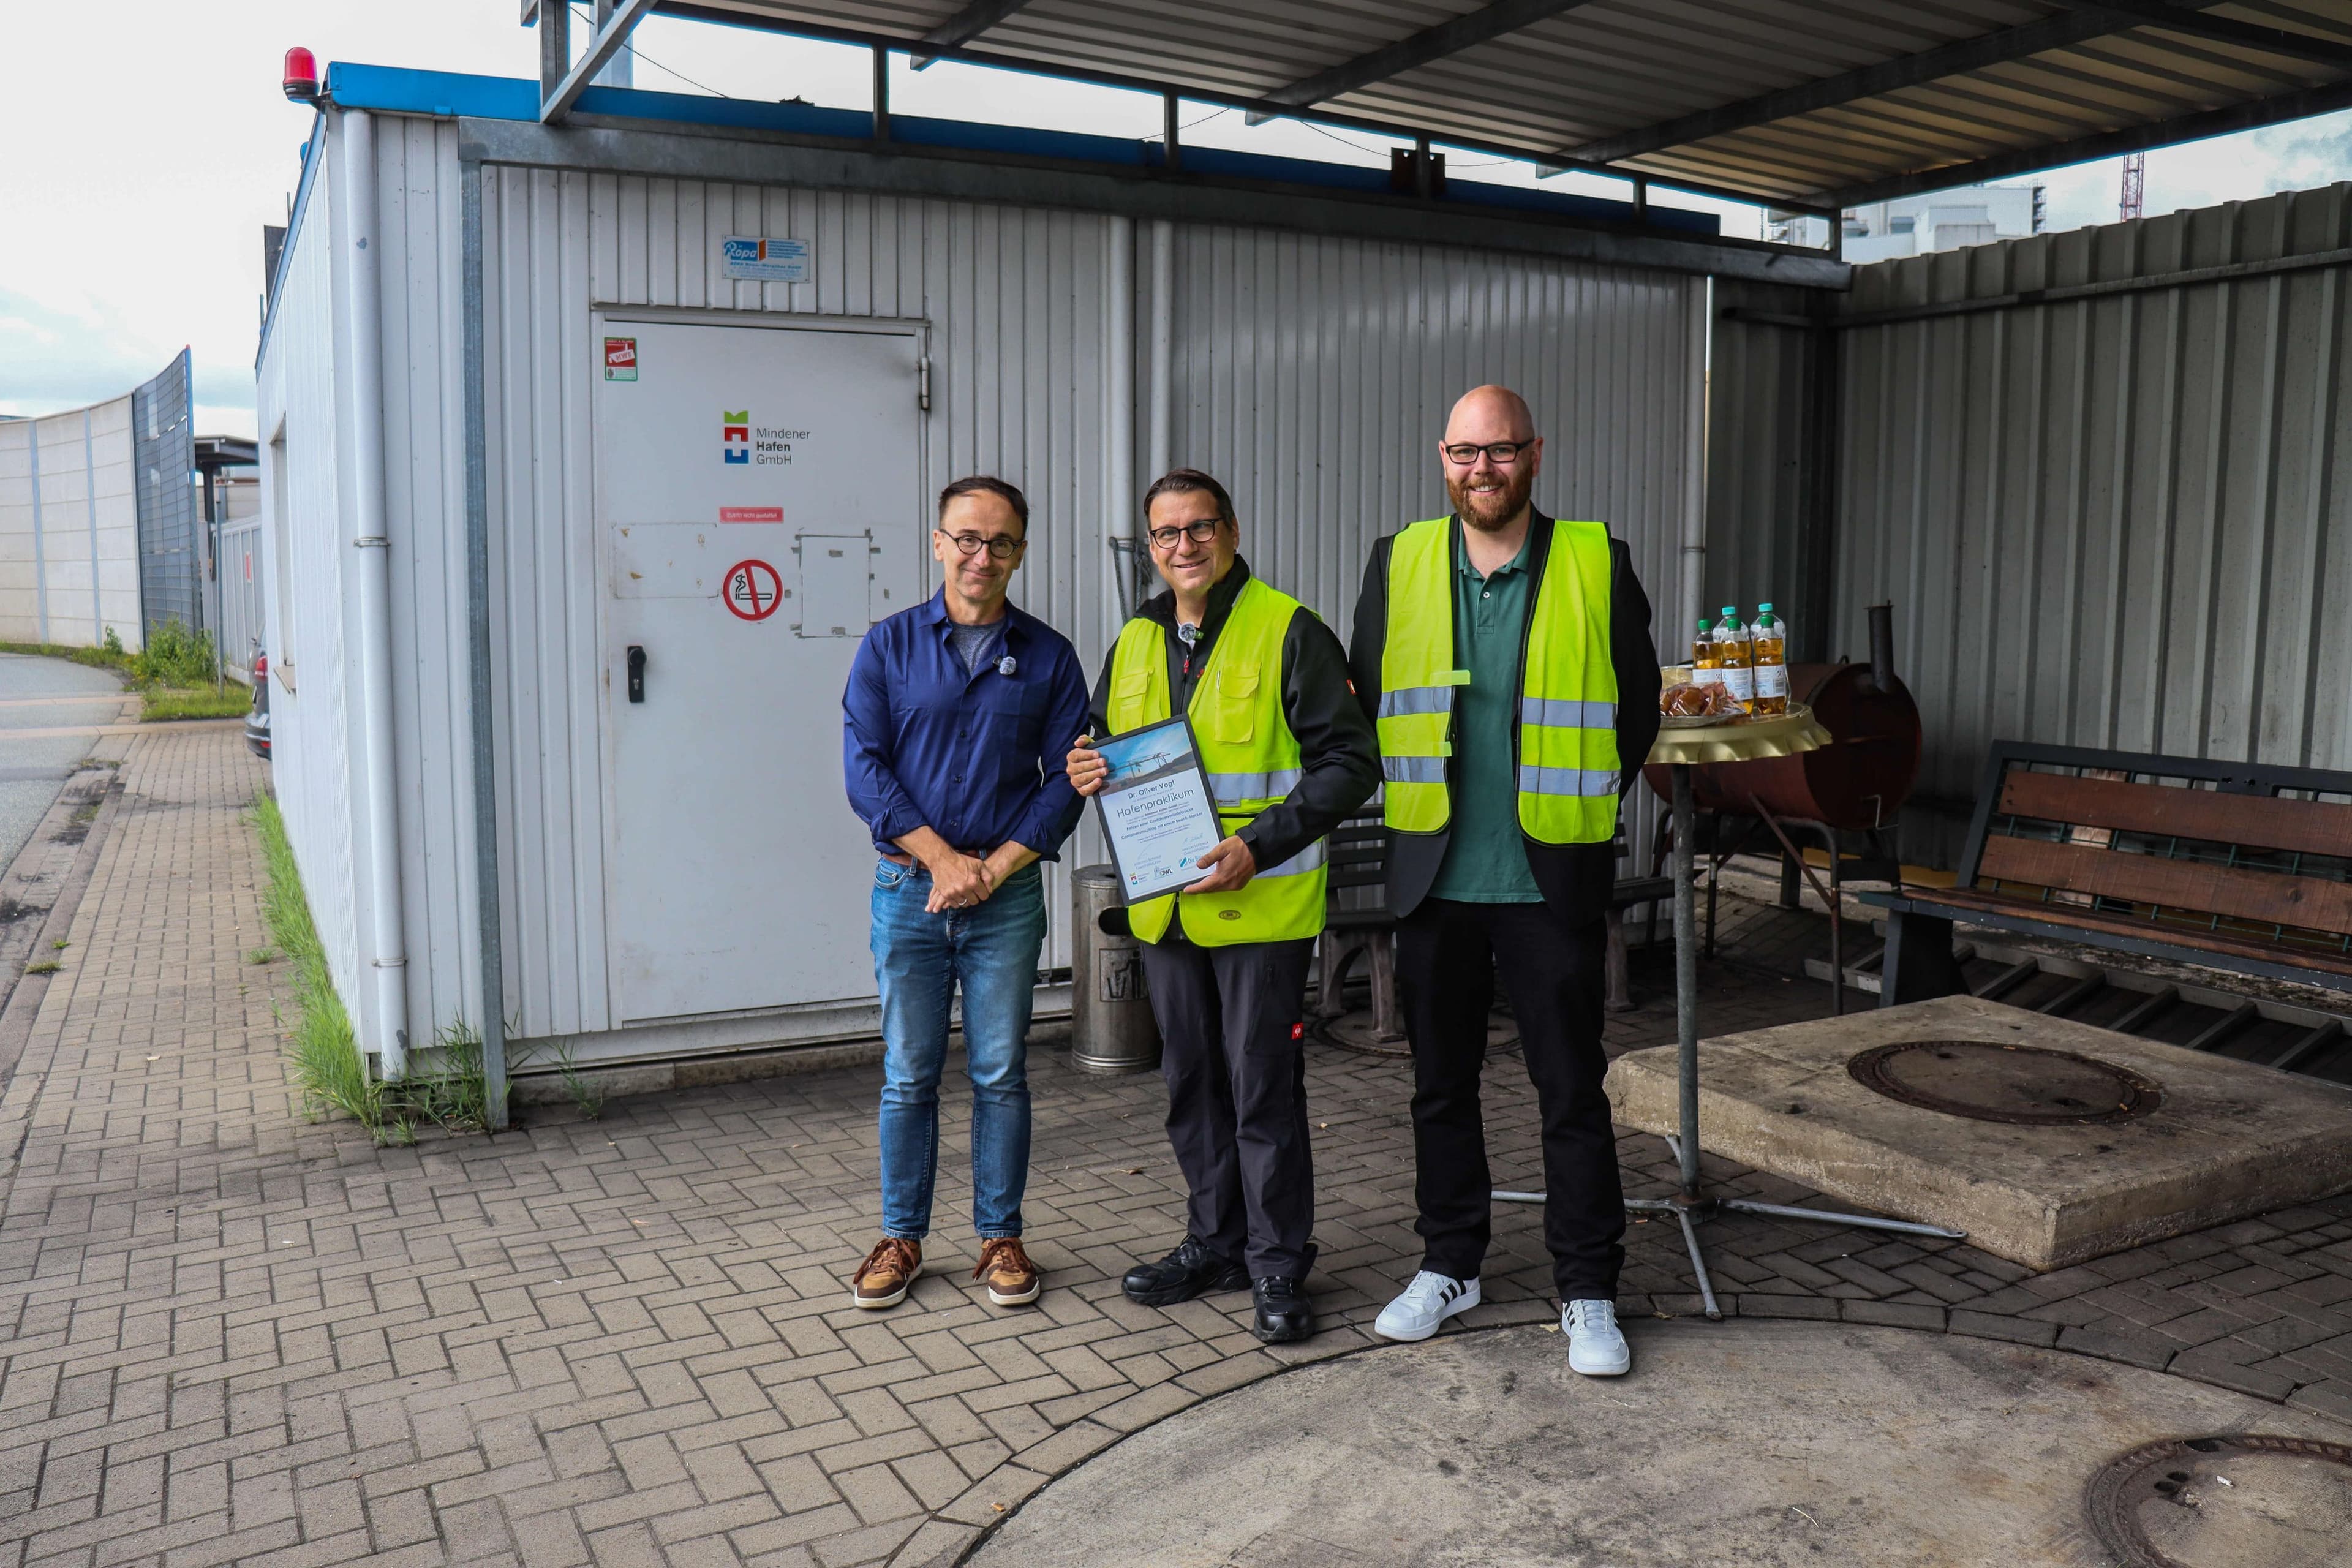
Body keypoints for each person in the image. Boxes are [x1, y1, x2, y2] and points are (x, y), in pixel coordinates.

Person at [1349, 386, 1661, 1376]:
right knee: (1439, 1089)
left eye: (1501, 452)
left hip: (1547, 877)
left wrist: (1573, 810)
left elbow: (1639, 706)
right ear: (1443, 457)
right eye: (1464, 453)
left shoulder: (1593, 561)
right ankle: (1451, 1265)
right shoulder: (1397, 562)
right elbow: (1366, 695)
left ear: (1536, 454)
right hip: (1435, 873)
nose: (1482, 470)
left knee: (1570, 1091)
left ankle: (1588, 1288)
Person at [1066, 469, 1379, 1344]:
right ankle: (1215, 1242)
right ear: (1152, 546)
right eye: (1165, 534)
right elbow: (1101, 742)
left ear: (1232, 532)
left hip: (1260, 909)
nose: (1183, 547)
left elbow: (1351, 765)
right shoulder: (1135, 637)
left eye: (1199, 528)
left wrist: (1260, 845)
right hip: (1167, 911)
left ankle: (1279, 1264)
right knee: (1192, 1085)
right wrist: (1083, 764)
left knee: (1261, 1094)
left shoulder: (1290, 630)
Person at [842, 475, 1090, 1313]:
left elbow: (1067, 781)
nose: (983, 556)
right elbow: (864, 770)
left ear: (1021, 552)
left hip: (1006, 898)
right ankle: (902, 1237)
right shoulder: (889, 646)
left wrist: (994, 868)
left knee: (1000, 1073)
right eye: (968, 539)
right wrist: (945, 861)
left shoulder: (1051, 657)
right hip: (908, 890)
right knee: (908, 1075)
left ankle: (1000, 1237)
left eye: (1002, 543)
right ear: (939, 543)